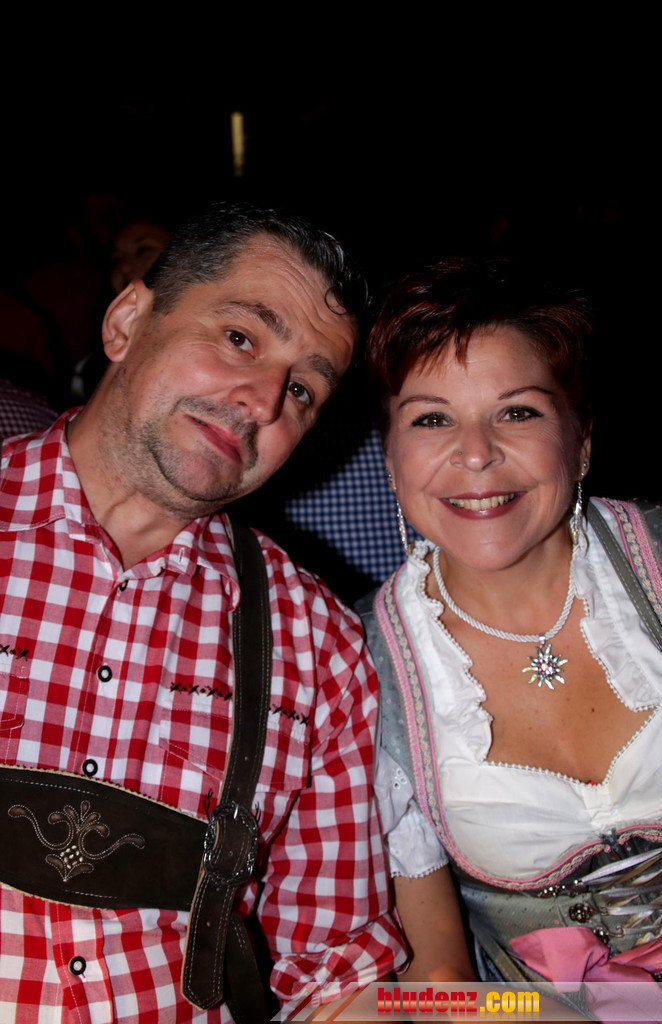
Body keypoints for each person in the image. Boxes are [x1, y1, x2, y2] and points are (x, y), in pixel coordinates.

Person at [0, 202, 406, 1023]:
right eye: (240, 338)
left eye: (302, 389)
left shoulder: (319, 647)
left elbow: (335, 978)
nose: (261, 400)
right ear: (126, 320)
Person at [361, 257, 662, 1020]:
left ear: (580, 440)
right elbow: (438, 984)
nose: (474, 453)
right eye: (431, 419)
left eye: (517, 413)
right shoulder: (360, 669)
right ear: (389, 458)